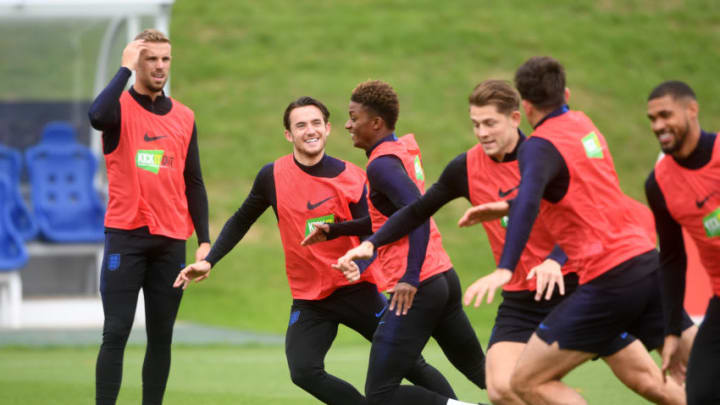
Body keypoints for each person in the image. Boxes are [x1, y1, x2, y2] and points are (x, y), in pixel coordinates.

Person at [334, 79, 693, 405]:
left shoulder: (547, 156)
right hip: (521, 295)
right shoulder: (466, 168)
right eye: (476, 124)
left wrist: (554, 258)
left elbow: (592, 217)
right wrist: (371, 243)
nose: (482, 133)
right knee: (501, 388)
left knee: (646, 381)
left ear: (516, 118)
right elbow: (417, 211)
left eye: (490, 123)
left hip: (574, 285)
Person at [173, 96, 455, 405]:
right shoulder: (272, 176)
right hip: (309, 298)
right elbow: (242, 219)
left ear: (328, 128)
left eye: (316, 123)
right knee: (303, 370)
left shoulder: (353, 177)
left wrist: (359, 266)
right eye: (301, 125)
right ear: (288, 134)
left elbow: (377, 228)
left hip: (356, 290)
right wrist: (209, 260)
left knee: (411, 364)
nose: (310, 130)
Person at [458, 57, 687, 405]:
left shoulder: (538, 145)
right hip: (645, 260)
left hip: (608, 279)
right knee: (693, 368)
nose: (482, 132)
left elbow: (533, 200)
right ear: (565, 93)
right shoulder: (583, 124)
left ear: (526, 107)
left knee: (527, 381)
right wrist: (508, 206)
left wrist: (505, 267)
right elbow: (575, 189)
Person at [330, 80, 487, 405]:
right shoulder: (398, 150)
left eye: (352, 117)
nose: (347, 124)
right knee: (481, 370)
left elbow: (416, 213)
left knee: (380, 394)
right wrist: (338, 231)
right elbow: (392, 217)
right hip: (442, 276)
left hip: (417, 286)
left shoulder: (382, 166)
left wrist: (410, 277)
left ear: (375, 123)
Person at [88, 29, 211, 405]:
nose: (159, 66)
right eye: (150, 59)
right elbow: (96, 115)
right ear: (136, 61)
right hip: (126, 237)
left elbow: (194, 182)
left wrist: (204, 239)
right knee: (117, 331)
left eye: (165, 59)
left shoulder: (185, 117)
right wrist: (124, 68)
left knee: (162, 335)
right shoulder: (118, 109)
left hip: (171, 241)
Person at [645, 80, 719, 404]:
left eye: (665, 115)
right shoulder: (659, 184)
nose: (659, 125)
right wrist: (672, 330)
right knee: (700, 393)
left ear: (692, 110)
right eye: (652, 119)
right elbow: (672, 258)